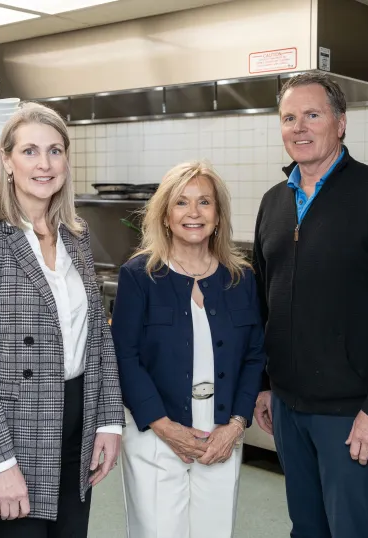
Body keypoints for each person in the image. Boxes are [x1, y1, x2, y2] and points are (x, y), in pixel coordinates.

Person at [251, 72, 368, 538]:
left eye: (313, 115)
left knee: (350, 530)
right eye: (289, 118)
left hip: (353, 413)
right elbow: (264, 302)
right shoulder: (274, 202)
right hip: (290, 407)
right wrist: (266, 384)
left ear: (341, 123)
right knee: (306, 528)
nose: (299, 127)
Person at [0, 102, 125, 538]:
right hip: (15, 430)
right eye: (29, 151)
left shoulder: (75, 235)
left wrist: (108, 420)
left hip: (76, 422)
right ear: (6, 161)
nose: (44, 164)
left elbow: (97, 338)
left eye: (55, 151)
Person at [111, 161, 267, 538]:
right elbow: (124, 358)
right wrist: (165, 428)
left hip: (221, 434)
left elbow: (254, 356)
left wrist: (235, 425)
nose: (193, 213)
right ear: (165, 215)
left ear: (218, 215)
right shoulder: (139, 275)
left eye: (204, 202)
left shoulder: (241, 278)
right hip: (155, 433)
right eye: (181, 203)